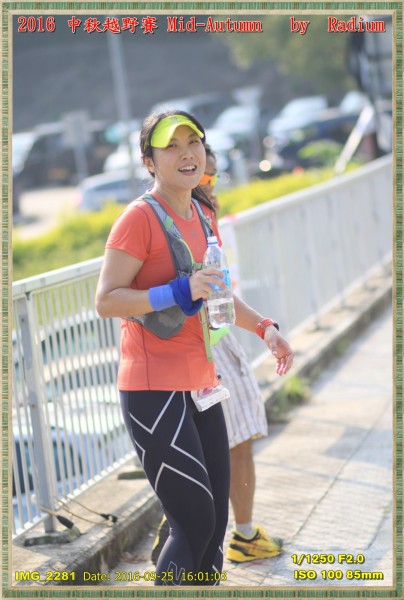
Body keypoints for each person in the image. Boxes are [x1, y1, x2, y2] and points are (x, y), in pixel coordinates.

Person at [96, 110, 294, 586]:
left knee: (214, 526)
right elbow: (106, 300)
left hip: (201, 382)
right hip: (152, 388)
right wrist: (177, 292)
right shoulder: (138, 218)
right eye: (172, 146)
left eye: (194, 142)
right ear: (149, 161)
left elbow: (217, 292)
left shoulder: (203, 216)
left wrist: (264, 327)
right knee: (194, 520)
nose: (187, 153)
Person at [151, 145, 284, 567]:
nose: (207, 183)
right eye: (201, 175)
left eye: (211, 175)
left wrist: (263, 326)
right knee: (237, 437)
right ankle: (240, 534)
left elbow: (219, 289)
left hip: (207, 337)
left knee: (219, 442)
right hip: (204, 342)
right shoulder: (172, 216)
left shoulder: (194, 214)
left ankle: (192, 528)